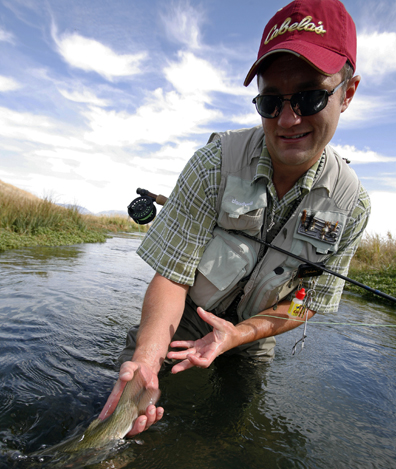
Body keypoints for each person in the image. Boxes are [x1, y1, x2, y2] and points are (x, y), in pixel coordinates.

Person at [99, 0, 370, 435]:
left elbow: (307, 302)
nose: (287, 119)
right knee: (131, 410)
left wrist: (238, 335)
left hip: (254, 335)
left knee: (232, 428)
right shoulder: (213, 164)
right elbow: (171, 276)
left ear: (347, 93)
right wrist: (147, 363)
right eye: (270, 102)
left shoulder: (352, 206)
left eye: (310, 97)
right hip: (186, 312)